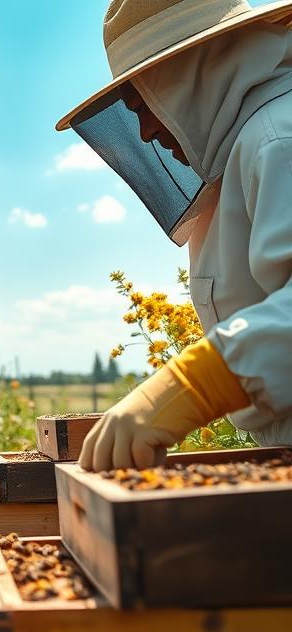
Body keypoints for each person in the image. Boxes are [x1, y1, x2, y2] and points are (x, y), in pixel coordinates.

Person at [55, 0, 292, 470]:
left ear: (192, 74)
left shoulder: (279, 137)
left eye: (145, 104)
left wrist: (195, 384)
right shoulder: (244, 149)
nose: (143, 133)